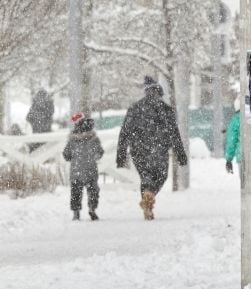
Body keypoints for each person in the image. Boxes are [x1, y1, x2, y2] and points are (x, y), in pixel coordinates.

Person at [116, 77, 187, 220]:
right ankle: (150, 195)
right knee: (161, 176)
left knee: (145, 177)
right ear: (159, 93)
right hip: (159, 150)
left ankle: (147, 195)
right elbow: (174, 133)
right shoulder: (166, 110)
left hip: (138, 150)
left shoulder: (134, 108)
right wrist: (180, 154)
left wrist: (121, 154)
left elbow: (124, 132)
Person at [63, 115, 104, 221]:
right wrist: (94, 156)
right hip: (91, 169)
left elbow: (66, 155)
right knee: (93, 190)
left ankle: (76, 213)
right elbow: (100, 152)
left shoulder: (72, 140)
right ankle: (92, 209)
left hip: (76, 171)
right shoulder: (94, 139)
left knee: (76, 192)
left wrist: (73, 157)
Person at [225, 100, 242, 176]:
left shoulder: (236, 120)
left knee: (245, 185)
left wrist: (229, 159)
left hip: (242, 156)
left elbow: (232, 141)